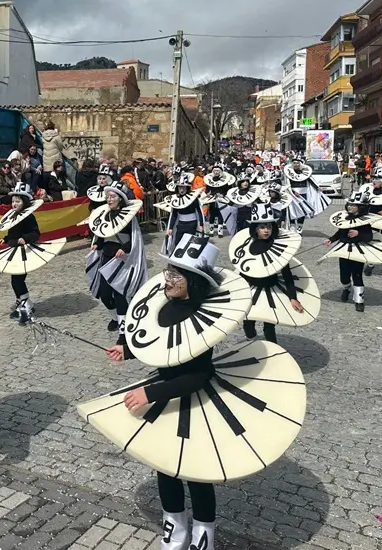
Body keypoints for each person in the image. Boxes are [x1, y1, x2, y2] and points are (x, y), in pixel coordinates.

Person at [80, 234, 285, 550]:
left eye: (177, 275)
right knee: (166, 467)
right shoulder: (167, 304)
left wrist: (151, 394)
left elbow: (198, 376)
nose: (168, 279)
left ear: (194, 281)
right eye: (168, 271)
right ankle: (174, 530)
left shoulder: (202, 317)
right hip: (166, 395)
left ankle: (204, 535)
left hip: (196, 399)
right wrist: (126, 349)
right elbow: (158, 343)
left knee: (197, 473)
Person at [231, 203, 312, 342]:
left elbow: (287, 275)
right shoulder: (247, 247)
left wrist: (292, 297)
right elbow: (243, 271)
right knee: (248, 322)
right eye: (262, 227)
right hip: (251, 289)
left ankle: (273, 351)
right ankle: (253, 344)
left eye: (268, 226)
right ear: (255, 229)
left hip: (271, 290)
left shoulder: (278, 247)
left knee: (270, 324)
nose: (266, 230)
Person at [86, 181, 147, 336]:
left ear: (120, 198)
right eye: (108, 196)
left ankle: (123, 329)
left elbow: (134, 239)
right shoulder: (104, 213)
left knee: (119, 294)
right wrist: (97, 245)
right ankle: (115, 317)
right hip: (106, 258)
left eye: (112, 196)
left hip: (121, 260)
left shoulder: (129, 218)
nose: (109, 199)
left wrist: (124, 249)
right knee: (105, 294)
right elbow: (101, 232)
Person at [323, 188, 382, 313]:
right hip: (344, 250)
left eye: (354, 205)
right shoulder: (345, 219)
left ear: (361, 207)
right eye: (350, 205)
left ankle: (359, 301)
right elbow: (340, 232)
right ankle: (346, 288)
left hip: (358, 251)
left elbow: (369, 236)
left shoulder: (365, 222)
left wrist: (358, 233)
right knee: (344, 275)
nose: (351, 207)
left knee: (357, 274)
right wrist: (331, 240)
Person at [0, 183, 41, 324]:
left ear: (24, 202)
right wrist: (6, 239)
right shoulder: (12, 216)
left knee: (18, 280)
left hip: (24, 253)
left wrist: (25, 238)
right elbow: (12, 232)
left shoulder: (29, 217)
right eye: (13, 201)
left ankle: (27, 306)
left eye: (18, 201)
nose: (14, 204)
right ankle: (21, 302)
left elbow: (36, 233)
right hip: (13, 252)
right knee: (14, 280)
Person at [161, 173, 205, 255]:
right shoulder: (175, 199)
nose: (181, 189)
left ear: (187, 188)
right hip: (181, 224)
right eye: (180, 187)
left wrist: (201, 224)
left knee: (189, 243)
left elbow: (199, 211)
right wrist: (170, 228)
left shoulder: (193, 198)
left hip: (192, 224)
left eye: (183, 187)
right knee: (178, 242)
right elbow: (174, 215)